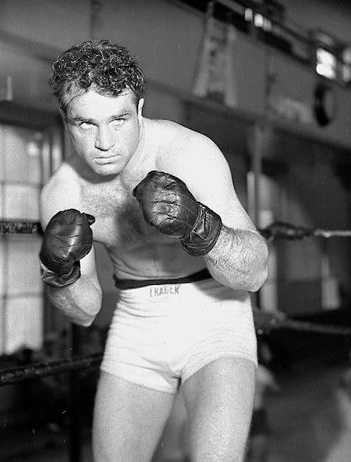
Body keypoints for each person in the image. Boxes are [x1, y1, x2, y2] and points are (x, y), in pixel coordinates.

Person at [39, 40, 269, 462]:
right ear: (65, 120)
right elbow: (84, 310)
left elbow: (254, 274)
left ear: (140, 109)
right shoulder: (64, 191)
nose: (104, 141)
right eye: (86, 124)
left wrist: (203, 227)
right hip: (136, 324)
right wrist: (61, 272)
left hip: (214, 317)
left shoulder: (188, 154)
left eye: (119, 119)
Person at [246, 340, 280, 462]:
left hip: (235, 414)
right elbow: (276, 388)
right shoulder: (259, 370)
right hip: (255, 411)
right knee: (259, 437)